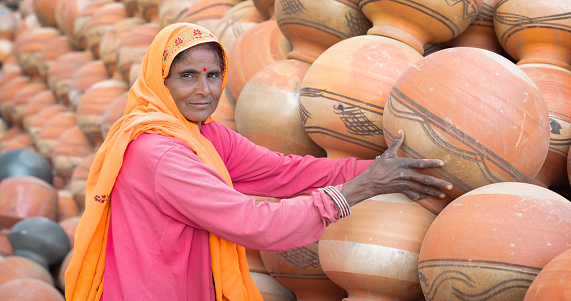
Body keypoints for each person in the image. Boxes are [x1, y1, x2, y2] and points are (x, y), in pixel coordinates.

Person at [65, 23, 452, 301]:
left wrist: (379, 170)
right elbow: (255, 224)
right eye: (187, 77)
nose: (205, 91)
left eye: (213, 75)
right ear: (159, 81)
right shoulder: (161, 153)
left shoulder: (202, 134)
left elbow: (284, 172)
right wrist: (361, 189)